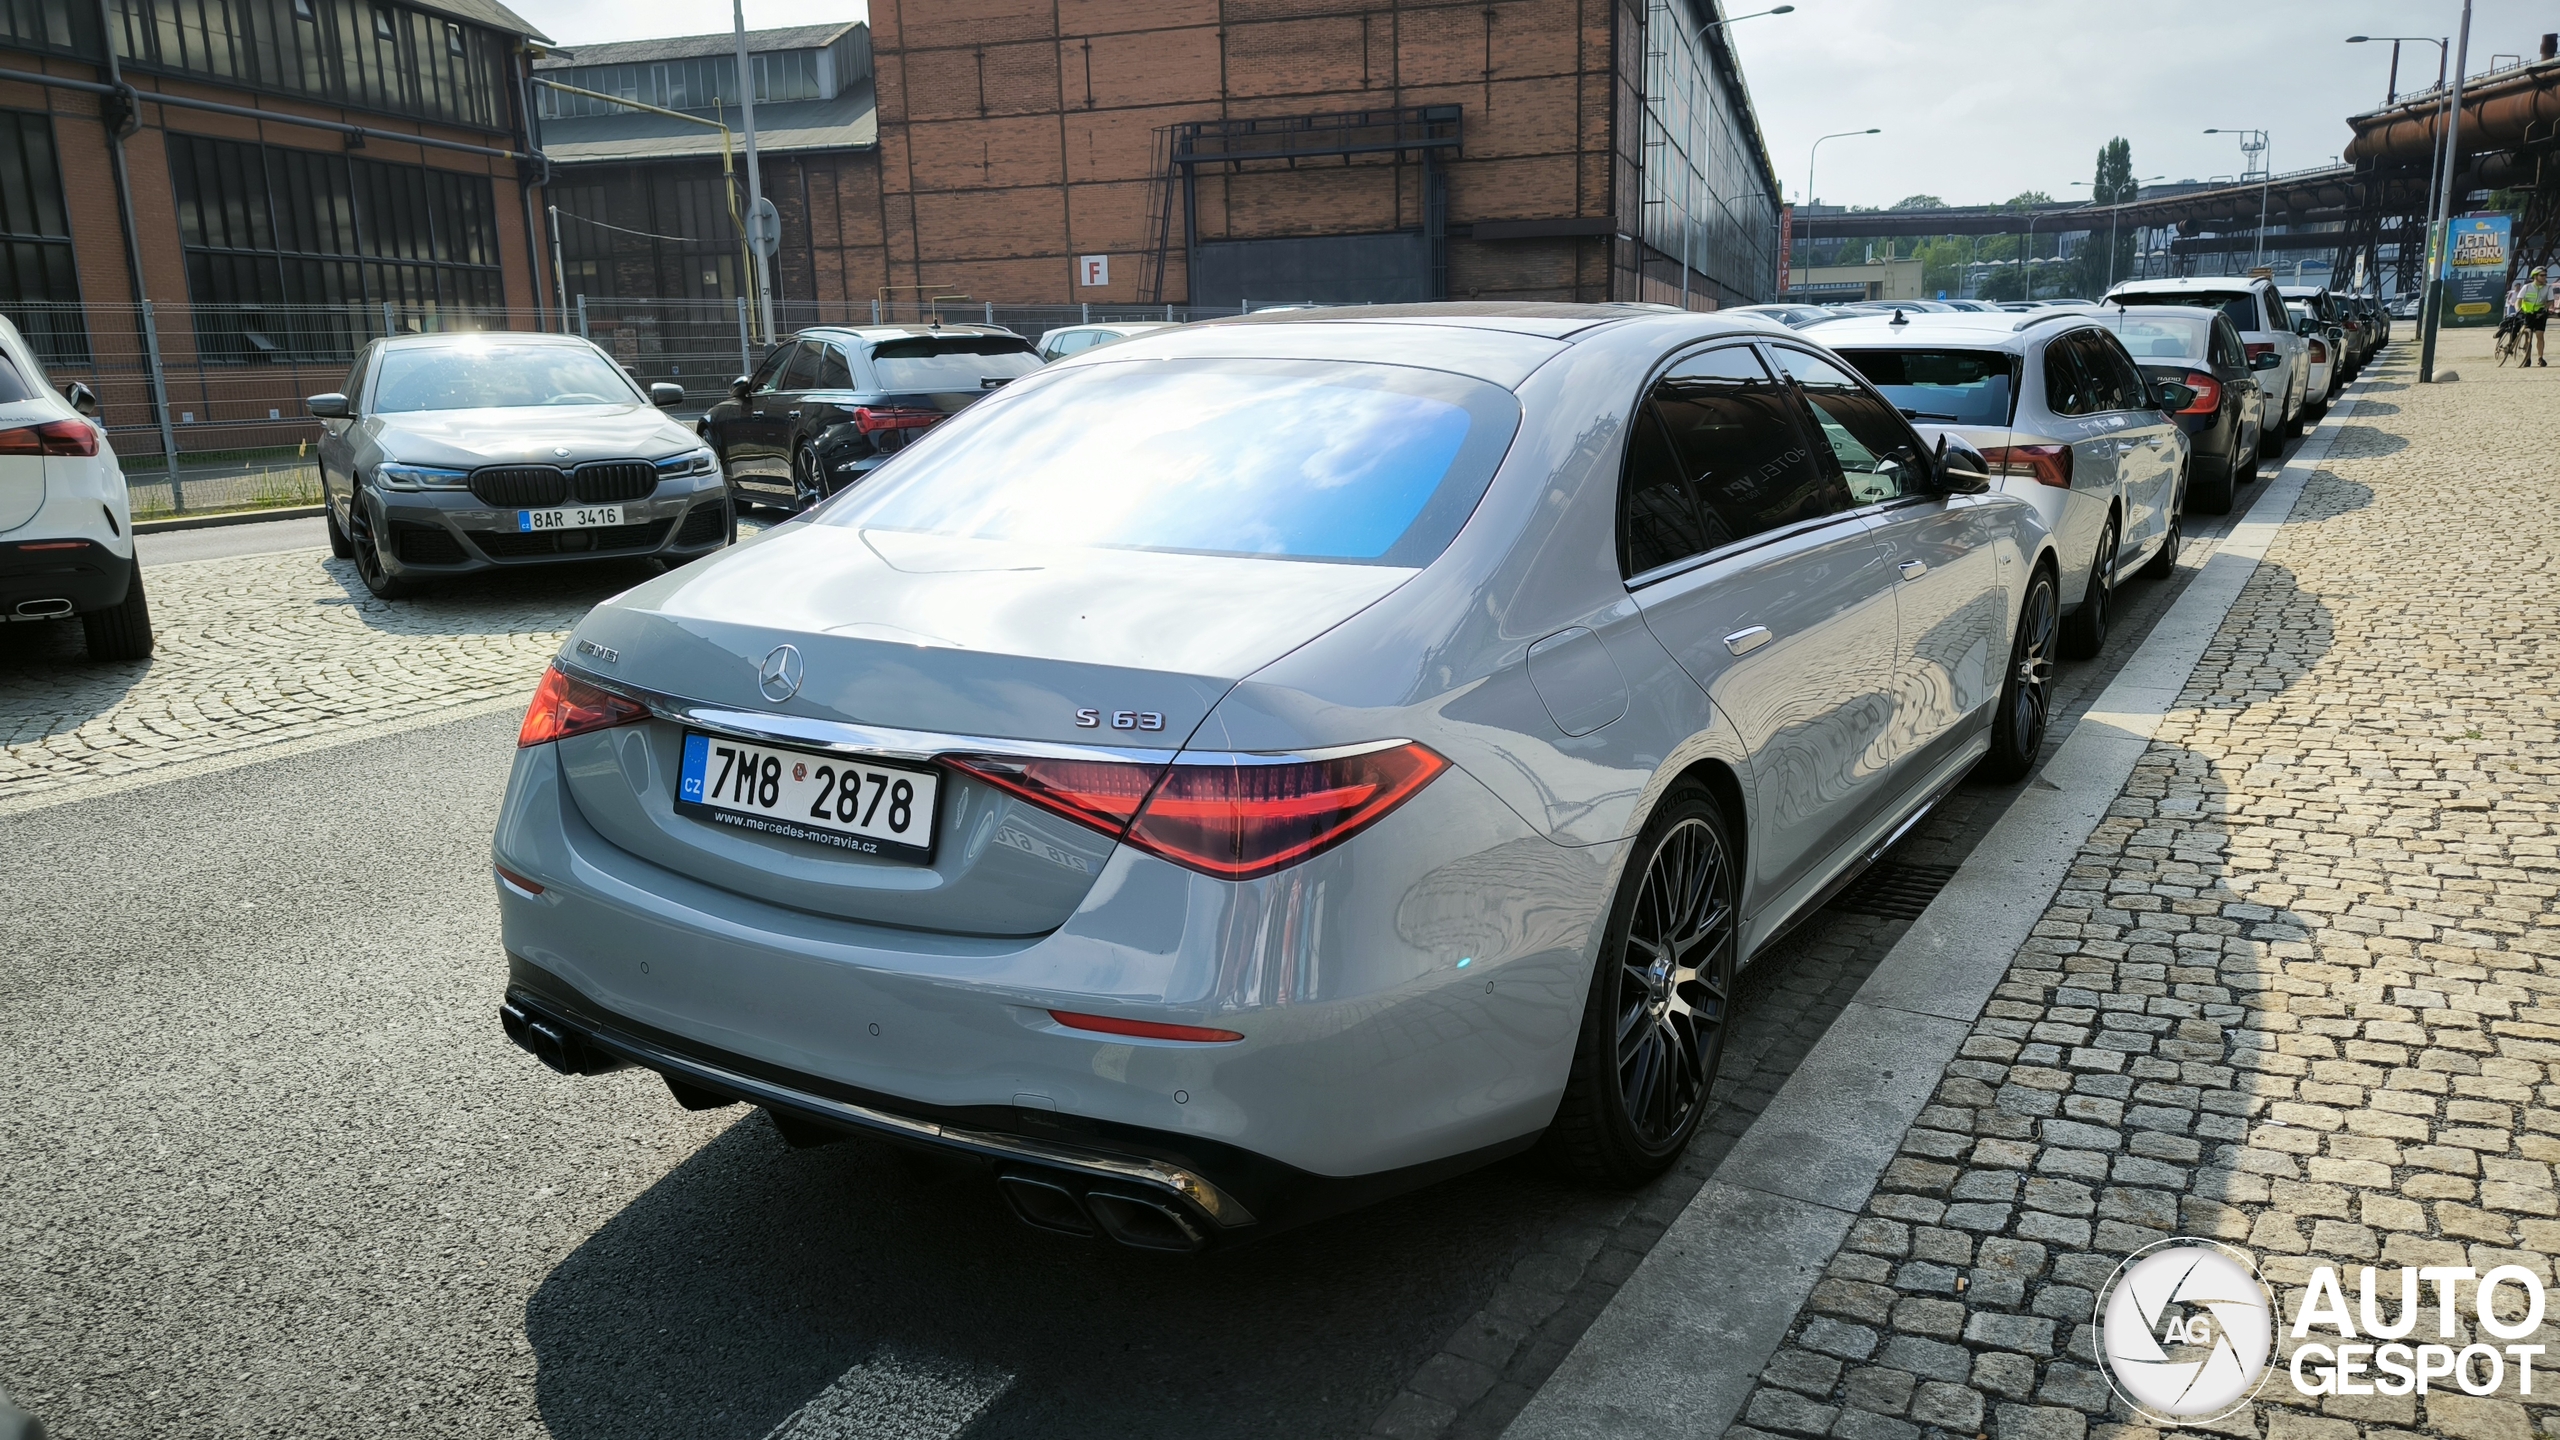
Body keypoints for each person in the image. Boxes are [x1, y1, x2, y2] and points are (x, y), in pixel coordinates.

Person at [2517, 267, 2554, 366]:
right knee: (2528, 336)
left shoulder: (2548, 287)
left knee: (2540, 335)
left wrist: (2545, 308)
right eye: (2542, 275)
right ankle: (2527, 358)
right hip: (2527, 314)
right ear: (2535, 276)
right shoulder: (2527, 287)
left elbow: (2551, 301)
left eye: (2545, 275)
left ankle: (2540, 358)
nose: (2544, 277)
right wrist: (2518, 309)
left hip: (2540, 314)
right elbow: (2519, 300)